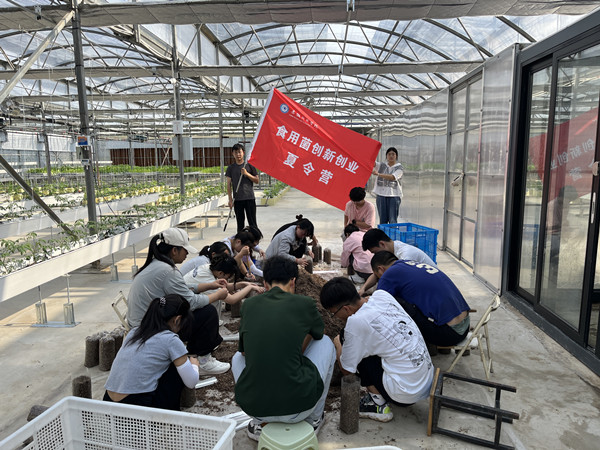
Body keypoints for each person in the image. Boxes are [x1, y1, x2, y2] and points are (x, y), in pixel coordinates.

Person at [232, 256, 336, 441]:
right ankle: (314, 419)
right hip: (300, 408)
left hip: (256, 409)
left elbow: (244, 351)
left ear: (265, 283)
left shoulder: (249, 305)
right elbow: (318, 333)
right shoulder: (305, 303)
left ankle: (259, 424)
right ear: (293, 281)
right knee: (326, 343)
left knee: (236, 358)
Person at [320, 278, 434, 422]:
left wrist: (338, 345)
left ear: (346, 309)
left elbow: (347, 369)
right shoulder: (382, 295)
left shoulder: (356, 323)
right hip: (426, 381)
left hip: (405, 393)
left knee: (347, 340)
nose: (335, 317)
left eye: (333, 313)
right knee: (367, 343)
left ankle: (377, 404)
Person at [127, 227, 230, 375]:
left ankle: (197, 354)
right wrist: (218, 295)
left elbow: (183, 287)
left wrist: (210, 285)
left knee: (202, 309)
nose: (187, 253)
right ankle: (203, 361)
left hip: (141, 322)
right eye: (185, 249)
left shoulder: (157, 264)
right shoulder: (168, 271)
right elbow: (191, 302)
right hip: (149, 329)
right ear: (174, 250)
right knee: (208, 312)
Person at [104, 294, 199, 410]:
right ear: (177, 320)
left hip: (108, 403)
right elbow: (191, 382)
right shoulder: (170, 339)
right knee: (175, 367)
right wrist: (194, 365)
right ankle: (170, 413)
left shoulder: (134, 332)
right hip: (136, 408)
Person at [371, 251, 471, 347]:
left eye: (377, 275)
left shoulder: (389, 274)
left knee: (394, 302)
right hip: (465, 326)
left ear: (380, 269)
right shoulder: (412, 264)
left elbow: (378, 302)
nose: (380, 279)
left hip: (449, 334)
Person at [359, 228, 435, 295]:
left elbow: (401, 282)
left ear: (382, 244)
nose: (376, 255)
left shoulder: (405, 255)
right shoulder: (393, 248)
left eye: (375, 252)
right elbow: (377, 273)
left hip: (431, 288)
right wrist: (363, 289)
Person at [183, 254, 265, 305]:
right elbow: (231, 300)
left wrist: (244, 284)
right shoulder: (208, 279)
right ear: (221, 273)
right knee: (217, 297)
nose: (227, 279)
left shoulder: (208, 267)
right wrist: (249, 287)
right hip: (185, 305)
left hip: (185, 298)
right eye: (228, 277)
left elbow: (223, 285)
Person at [226, 143, 259, 232]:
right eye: (235, 152)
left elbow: (257, 180)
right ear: (233, 154)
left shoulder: (249, 166)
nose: (238, 154)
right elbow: (228, 185)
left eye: (239, 152)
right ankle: (241, 239)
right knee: (240, 224)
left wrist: (247, 174)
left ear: (243, 153)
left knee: (252, 223)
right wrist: (230, 200)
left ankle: (255, 238)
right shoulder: (231, 168)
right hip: (237, 199)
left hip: (249, 198)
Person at [372, 147, 403, 224]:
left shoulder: (399, 168)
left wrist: (378, 174)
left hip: (394, 196)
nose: (391, 156)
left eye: (393, 154)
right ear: (386, 156)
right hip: (381, 195)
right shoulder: (381, 165)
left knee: (393, 220)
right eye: (389, 154)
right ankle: (383, 232)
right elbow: (372, 163)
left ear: (396, 156)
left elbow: (392, 177)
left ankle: (392, 232)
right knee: (382, 220)